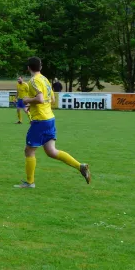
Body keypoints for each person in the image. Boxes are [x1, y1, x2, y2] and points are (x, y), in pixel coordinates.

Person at [14, 57, 91, 188]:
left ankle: (30, 182)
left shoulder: (34, 81)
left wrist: (27, 100)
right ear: (41, 67)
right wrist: (34, 105)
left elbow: (39, 99)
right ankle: (80, 166)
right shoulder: (45, 80)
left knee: (29, 151)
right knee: (51, 151)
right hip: (50, 118)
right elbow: (52, 100)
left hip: (40, 120)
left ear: (28, 68)